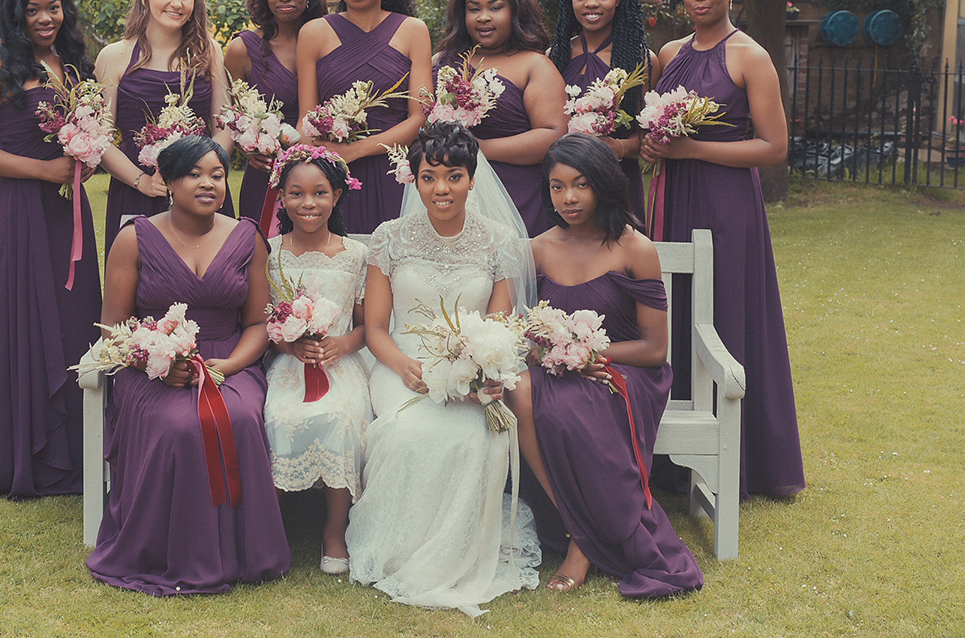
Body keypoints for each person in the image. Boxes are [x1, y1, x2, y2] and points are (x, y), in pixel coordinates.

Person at [345, 122, 540, 617]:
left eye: (454, 176)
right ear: (414, 180)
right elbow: (375, 330)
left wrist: (478, 371)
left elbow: (499, 325)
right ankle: (403, 549)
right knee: (408, 433)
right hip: (400, 361)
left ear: (472, 180)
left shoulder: (499, 241)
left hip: (472, 369)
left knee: (476, 436)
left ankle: (461, 552)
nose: (441, 189)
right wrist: (408, 368)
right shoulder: (390, 238)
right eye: (429, 177)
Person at [85, 135, 291, 595]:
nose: (208, 184)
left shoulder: (247, 237)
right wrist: (152, 362)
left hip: (229, 360)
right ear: (170, 182)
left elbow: (257, 322)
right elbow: (112, 328)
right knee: (179, 425)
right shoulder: (134, 238)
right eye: (194, 175)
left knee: (237, 416)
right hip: (152, 365)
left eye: (217, 175)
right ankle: (169, 551)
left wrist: (231, 364)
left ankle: (245, 552)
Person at [641, 0, 804, 498]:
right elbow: (657, 132)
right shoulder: (668, 54)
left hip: (728, 202)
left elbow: (774, 147)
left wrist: (692, 149)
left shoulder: (750, 56)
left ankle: (748, 462)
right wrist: (656, 147)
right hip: (675, 195)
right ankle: (673, 462)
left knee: (727, 311)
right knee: (675, 311)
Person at [508, 134, 703, 598]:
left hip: (628, 372)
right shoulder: (535, 249)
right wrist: (553, 352)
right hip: (558, 367)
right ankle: (584, 529)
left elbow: (655, 348)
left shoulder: (634, 248)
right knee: (521, 391)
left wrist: (590, 354)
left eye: (580, 185)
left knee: (574, 408)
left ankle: (582, 545)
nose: (568, 198)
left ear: (602, 185)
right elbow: (523, 332)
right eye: (557, 187)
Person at [0, 0, 101, 498]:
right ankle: (21, 455)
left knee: (73, 317)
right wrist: (42, 169)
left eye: (54, 7)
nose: (45, 18)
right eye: (33, 9)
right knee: (21, 317)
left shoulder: (74, 64)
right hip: (18, 208)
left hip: (68, 210)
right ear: (13, 12)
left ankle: (73, 454)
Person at [262, 145, 371, 575]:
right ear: (282, 198)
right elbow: (260, 324)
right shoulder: (269, 251)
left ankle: (334, 530)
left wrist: (342, 344)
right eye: (296, 193)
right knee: (277, 415)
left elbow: (368, 326)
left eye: (320, 193)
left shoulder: (356, 255)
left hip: (340, 362)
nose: (308, 204)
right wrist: (289, 344)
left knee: (342, 415)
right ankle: (271, 526)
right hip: (289, 364)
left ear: (337, 196)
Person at [95, 0, 233, 257]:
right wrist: (141, 181)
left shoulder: (208, 51)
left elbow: (224, 125)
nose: (177, 3)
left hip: (202, 188)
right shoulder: (114, 56)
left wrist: (206, 174)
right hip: (139, 188)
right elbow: (99, 139)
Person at [297, 0, 432, 233]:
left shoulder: (413, 31)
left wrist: (356, 151)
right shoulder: (313, 33)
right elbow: (305, 120)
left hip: (397, 174)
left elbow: (419, 118)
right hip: (333, 176)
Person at [434, 0, 568, 237]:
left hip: (518, 198)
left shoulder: (535, 65)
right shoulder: (440, 63)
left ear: (515, 10)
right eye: (474, 9)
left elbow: (552, 134)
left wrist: (478, 149)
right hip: (447, 196)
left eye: (495, 7)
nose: (484, 17)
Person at [549, 0, 660, 224]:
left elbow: (649, 139)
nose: (591, 4)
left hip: (618, 185)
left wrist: (620, 147)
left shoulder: (641, 61)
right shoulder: (553, 58)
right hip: (565, 189)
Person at [225, 0, 328, 226]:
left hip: (323, 177)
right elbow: (231, 118)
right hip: (265, 177)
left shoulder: (332, 43)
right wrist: (249, 146)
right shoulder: (241, 50)